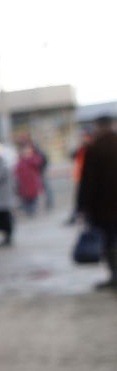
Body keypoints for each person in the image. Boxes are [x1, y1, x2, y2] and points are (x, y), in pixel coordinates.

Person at [76, 114, 117, 289]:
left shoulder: (94, 148)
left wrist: (81, 206)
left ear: (98, 126)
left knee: (109, 241)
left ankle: (115, 276)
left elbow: (87, 181)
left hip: (103, 207)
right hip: (106, 206)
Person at [14, 140, 46, 217]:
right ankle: (28, 211)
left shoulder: (34, 158)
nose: (26, 151)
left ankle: (32, 211)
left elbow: (39, 165)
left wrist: (29, 158)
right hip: (24, 183)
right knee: (25, 198)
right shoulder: (20, 160)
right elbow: (17, 170)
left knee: (33, 198)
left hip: (32, 182)